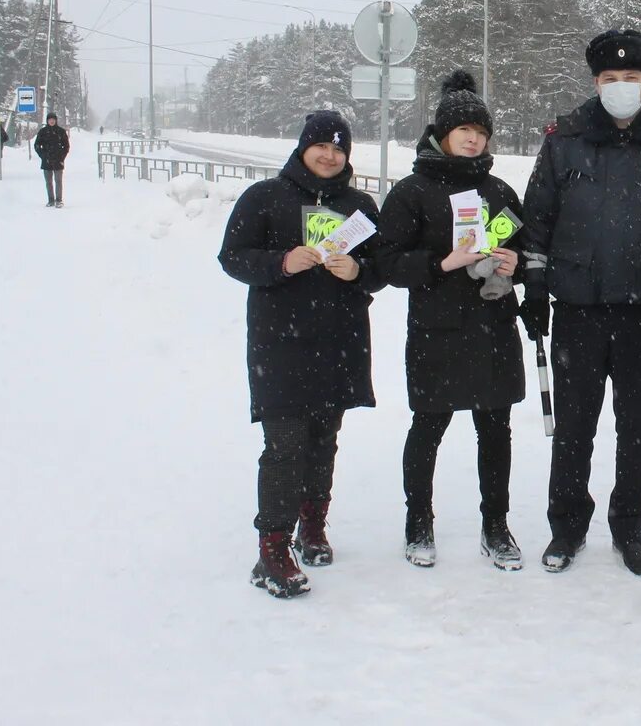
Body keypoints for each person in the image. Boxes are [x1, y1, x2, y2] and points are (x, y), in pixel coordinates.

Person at [520, 28, 641, 577]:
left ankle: (630, 529)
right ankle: (567, 527)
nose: (620, 86)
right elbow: (538, 222)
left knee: (636, 427)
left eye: (630, 78)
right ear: (595, 82)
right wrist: (535, 291)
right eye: (609, 78)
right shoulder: (565, 140)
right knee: (574, 428)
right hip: (577, 309)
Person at [217, 111, 386, 599]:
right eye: (322, 146)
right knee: (285, 444)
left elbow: (381, 268)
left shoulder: (359, 206)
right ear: (303, 147)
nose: (330, 156)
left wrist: (358, 271)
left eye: (339, 149)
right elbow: (232, 257)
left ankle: (312, 525)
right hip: (280, 342)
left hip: (339, 340)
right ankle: (271, 545)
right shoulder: (265, 197)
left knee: (323, 440)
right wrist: (280, 262)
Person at [374, 72, 527, 571]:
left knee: (496, 431)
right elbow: (388, 264)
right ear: (441, 133)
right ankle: (418, 522)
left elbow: (525, 250)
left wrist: (514, 264)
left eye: (480, 131)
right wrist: (443, 263)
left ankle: (496, 525)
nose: (472, 137)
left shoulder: (500, 189)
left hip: (493, 326)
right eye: (462, 128)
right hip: (436, 331)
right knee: (428, 428)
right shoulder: (412, 192)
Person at [33, 114, 70, 207]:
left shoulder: (61, 131)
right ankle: (50, 200)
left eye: (53, 119)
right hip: (46, 160)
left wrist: (62, 157)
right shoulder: (43, 132)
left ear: (56, 120)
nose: (51, 121)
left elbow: (66, 146)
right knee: (48, 182)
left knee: (58, 181)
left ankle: (59, 200)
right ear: (47, 121)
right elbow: (37, 145)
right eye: (50, 120)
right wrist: (42, 155)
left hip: (58, 160)